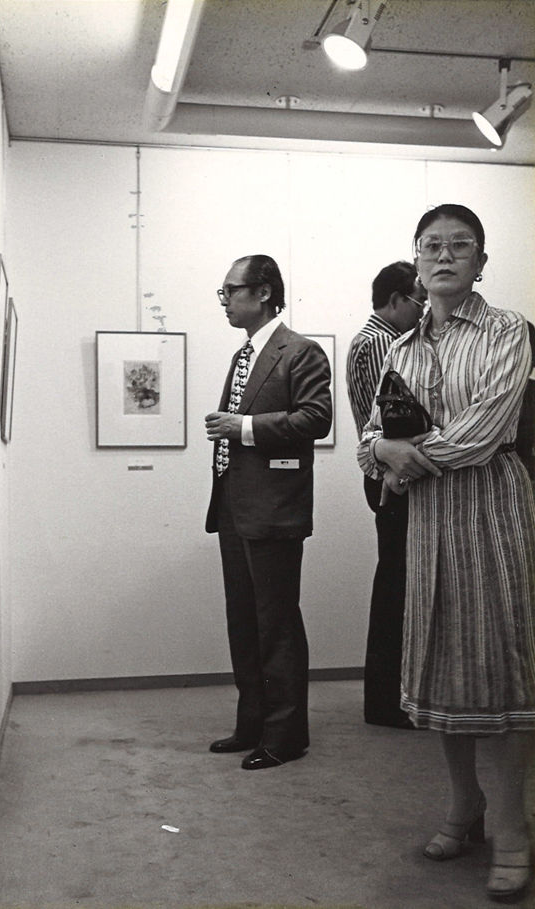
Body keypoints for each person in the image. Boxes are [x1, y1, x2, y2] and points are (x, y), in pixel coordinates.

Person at [358, 204, 535, 902]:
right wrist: (382, 448)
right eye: (431, 245)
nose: (444, 255)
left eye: (460, 245)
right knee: (442, 669)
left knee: (501, 673)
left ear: (481, 263)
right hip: (430, 524)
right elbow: (371, 434)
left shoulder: (507, 330)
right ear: (416, 260)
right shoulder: (400, 349)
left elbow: (485, 430)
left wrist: (401, 457)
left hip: (493, 514)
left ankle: (514, 828)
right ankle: (465, 806)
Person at [205, 254, 332, 770]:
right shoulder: (244, 354)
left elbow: (316, 418)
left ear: (262, 293)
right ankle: (252, 723)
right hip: (235, 507)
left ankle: (286, 736)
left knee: (276, 624)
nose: (224, 301)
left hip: (275, 510)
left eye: (230, 291)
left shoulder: (300, 351)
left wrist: (243, 428)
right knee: (243, 621)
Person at [346, 261, 426, 728]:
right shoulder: (383, 342)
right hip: (390, 474)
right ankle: (387, 701)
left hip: (385, 471)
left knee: (396, 580)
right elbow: (399, 417)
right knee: (397, 584)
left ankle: (391, 698)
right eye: (418, 301)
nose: (422, 311)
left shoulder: (371, 338)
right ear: (396, 300)